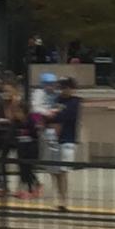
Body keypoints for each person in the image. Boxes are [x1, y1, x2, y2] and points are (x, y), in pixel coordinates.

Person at [49, 76, 83, 211]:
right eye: (62, 87)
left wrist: (55, 114)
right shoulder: (57, 100)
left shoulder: (75, 102)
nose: (65, 90)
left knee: (63, 171)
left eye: (67, 87)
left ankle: (64, 200)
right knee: (54, 171)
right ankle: (57, 198)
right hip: (54, 139)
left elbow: (66, 116)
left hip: (68, 139)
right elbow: (50, 116)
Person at [9, 87, 43, 198]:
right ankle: (26, 188)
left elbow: (35, 136)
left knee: (28, 169)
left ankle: (32, 188)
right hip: (21, 148)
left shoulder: (31, 121)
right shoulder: (16, 123)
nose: (17, 114)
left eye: (19, 112)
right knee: (22, 170)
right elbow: (14, 135)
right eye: (16, 112)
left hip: (31, 148)